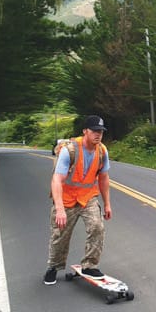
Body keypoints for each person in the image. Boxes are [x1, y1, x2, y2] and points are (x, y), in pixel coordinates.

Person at [43, 115, 112, 285]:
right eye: (95, 131)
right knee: (60, 235)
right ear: (85, 131)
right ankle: (53, 266)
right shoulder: (70, 150)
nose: (98, 135)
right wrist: (59, 209)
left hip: (87, 197)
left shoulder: (102, 151)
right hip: (66, 199)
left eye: (101, 132)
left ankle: (89, 265)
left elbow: (103, 178)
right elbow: (56, 180)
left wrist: (107, 204)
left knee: (97, 226)